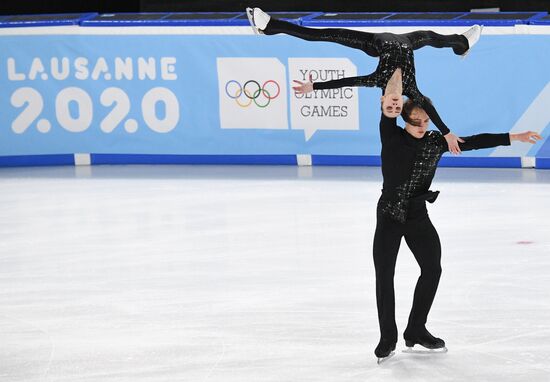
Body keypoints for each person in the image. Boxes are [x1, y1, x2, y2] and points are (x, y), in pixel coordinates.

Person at [372, 99, 541, 363]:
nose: (421, 126)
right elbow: (389, 108)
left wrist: (513, 137)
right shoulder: (391, 135)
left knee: (432, 268)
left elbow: (473, 141)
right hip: (389, 215)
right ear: (405, 119)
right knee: (385, 275)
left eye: (426, 121)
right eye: (416, 121)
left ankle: (416, 328)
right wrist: (388, 100)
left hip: (417, 215)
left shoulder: (435, 142)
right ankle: (387, 338)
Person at [246, 7, 482, 154]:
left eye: (389, 106)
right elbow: (430, 108)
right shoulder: (412, 89)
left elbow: (345, 81)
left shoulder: (376, 79)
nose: (395, 104)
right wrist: (447, 132)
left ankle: (269, 27)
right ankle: (463, 43)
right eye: (397, 107)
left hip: (374, 43)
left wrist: (314, 86)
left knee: (323, 34)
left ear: (382, 100)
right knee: (432, 37)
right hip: (406, 42)